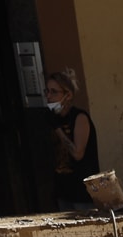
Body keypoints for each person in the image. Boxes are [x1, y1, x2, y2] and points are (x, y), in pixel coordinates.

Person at [44, 68, 100, 210]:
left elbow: (77, 153)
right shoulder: (53, 118)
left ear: (67, 95)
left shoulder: (79, 117)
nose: (49, 96)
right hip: (63, 189)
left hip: (82, 191)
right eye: (47, 91)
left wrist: (58, 130)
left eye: (54, 92)